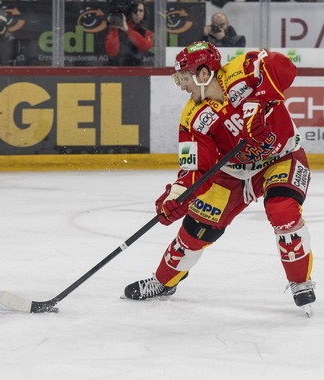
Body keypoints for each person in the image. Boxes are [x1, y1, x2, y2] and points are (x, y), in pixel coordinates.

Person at [124, 41, 316, 315]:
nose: (181, 85)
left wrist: (256, 101)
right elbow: (192, 167)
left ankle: (300, 281)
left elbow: (285, 67)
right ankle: (163, 282)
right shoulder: (191, 118)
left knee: (282, 209)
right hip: (231, 175)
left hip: (280, 158)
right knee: (196, 231)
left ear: (203, 74)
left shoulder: (245, 69)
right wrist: (176, 196)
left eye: (184, 77)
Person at [105, 0, 153, 66]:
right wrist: (114, 28)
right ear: (130, 12)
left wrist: (128, 30)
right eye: (135, 10)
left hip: (136, 71)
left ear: (145, 13)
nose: (137, 13)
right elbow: (112, 52)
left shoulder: (147, 33)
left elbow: (145, 46)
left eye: (141, 11)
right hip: (115, 70)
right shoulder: (117, 29)